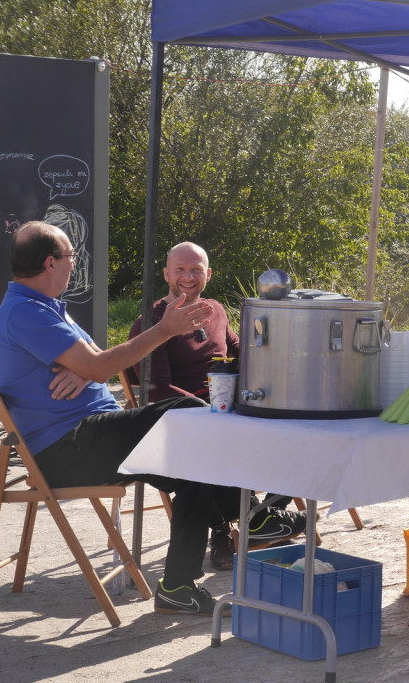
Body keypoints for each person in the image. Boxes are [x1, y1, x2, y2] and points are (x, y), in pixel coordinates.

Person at [0, 221, 300, 616]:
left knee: (196, 469)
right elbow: (102, 365)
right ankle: (252, 515)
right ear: (51, 263)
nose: (74, 264)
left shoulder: (44, 308)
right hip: (66, 447)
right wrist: (162, 331)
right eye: (71, 257)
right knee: (188, 412)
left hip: (91, 436)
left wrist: (87, 367)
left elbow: (97, 359)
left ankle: (177, 586)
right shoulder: (26, 312)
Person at [127, 242, 300, 570]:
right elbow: (158, 390)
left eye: (196, 270)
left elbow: (240, 349)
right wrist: (209, 413)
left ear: (208, 274)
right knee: (217, 440)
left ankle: (260, 518)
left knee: (297, 425)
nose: (188, 276)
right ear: (166, 274)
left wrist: (282, 361)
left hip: (228, 409)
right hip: (181, 419)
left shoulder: (215, 310)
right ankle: (230, 528)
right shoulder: (151, 323)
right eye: (180, 269)